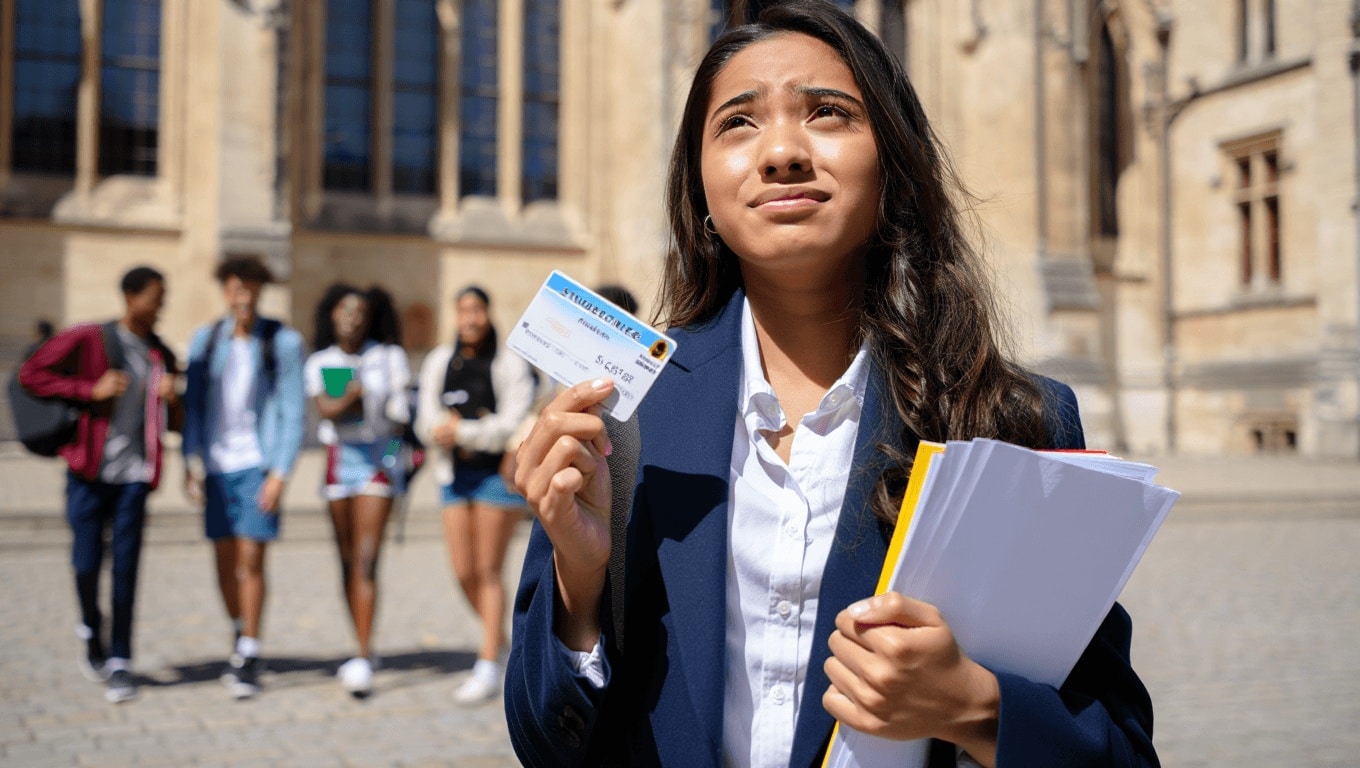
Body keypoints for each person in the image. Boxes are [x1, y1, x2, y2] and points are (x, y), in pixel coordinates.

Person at [505, 2, 1158, 767]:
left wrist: (974, 707)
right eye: (739, 124)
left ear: (892, 164)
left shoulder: (1011, 419)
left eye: (827, 113)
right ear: (703, 188)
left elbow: (1116, 749)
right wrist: (578, 585)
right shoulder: (626, 412)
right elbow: (548, 742)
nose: (781, 151)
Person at [19, 266, 180, 704]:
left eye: (163, 298)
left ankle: (121, 660)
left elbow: (177, 423)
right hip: (88, 472)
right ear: (130, 296)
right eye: (155, 297)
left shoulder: (160, 353)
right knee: (87, 563)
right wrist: (89, 389)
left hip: (134, 477)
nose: (160, 306)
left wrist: (173, 398)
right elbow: (30, 374)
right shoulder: (90, 338)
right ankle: (92, 628)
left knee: (126, 568)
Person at [182, 255, 306, 700]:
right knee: (223, 562)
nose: (243, 294)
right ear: (225, 290)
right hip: (216, 464)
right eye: (235, 286)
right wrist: (190, 461)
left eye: (250, 287)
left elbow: (293, 410)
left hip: (258, 461)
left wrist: (281, 472)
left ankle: (250, 651)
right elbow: (192, 406)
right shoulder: (206, 340)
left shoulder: (283, 342)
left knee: (251, 558)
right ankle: (239, 630)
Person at [415, 286, 536, 704]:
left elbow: (512, 422)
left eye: (477, 310)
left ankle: (487, 662)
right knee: (463, 571)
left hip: (495, 479)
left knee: (488, 569)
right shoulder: (437, 362)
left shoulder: (508, 362)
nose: (470, 318)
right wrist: (439, 430)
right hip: (453, 475)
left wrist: (463, 430)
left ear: (487, 313)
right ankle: (501, 643)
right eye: (463, 310)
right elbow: (424, 417)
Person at [303, 283, 411, 697]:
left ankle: (364, 656)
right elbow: (327, 410)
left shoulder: (388, 357)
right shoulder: (320, 361)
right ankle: (358, 642)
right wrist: (352, 393)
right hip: (338, 461)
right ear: (332, 315)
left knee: (366, 560)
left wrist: (398, 461)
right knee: (346, 560)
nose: (352, 318)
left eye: (360, 312)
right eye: (345, 311)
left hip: (378, 463)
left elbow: (401, 420)